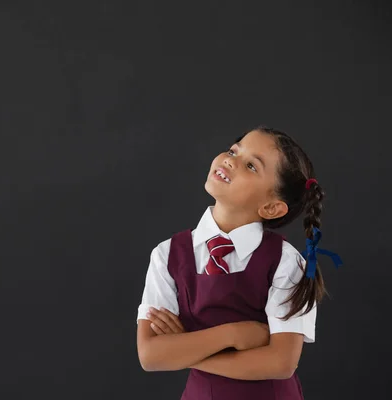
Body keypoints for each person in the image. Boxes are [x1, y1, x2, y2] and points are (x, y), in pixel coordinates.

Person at [136, 126, 342, 400]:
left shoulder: (286, 262)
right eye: (234, 149)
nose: (229, 159)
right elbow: (150, 355)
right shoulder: (167, 255)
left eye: (251, 166)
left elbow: (280, 363)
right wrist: (233, 334)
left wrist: (185, 350)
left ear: (271, 207)